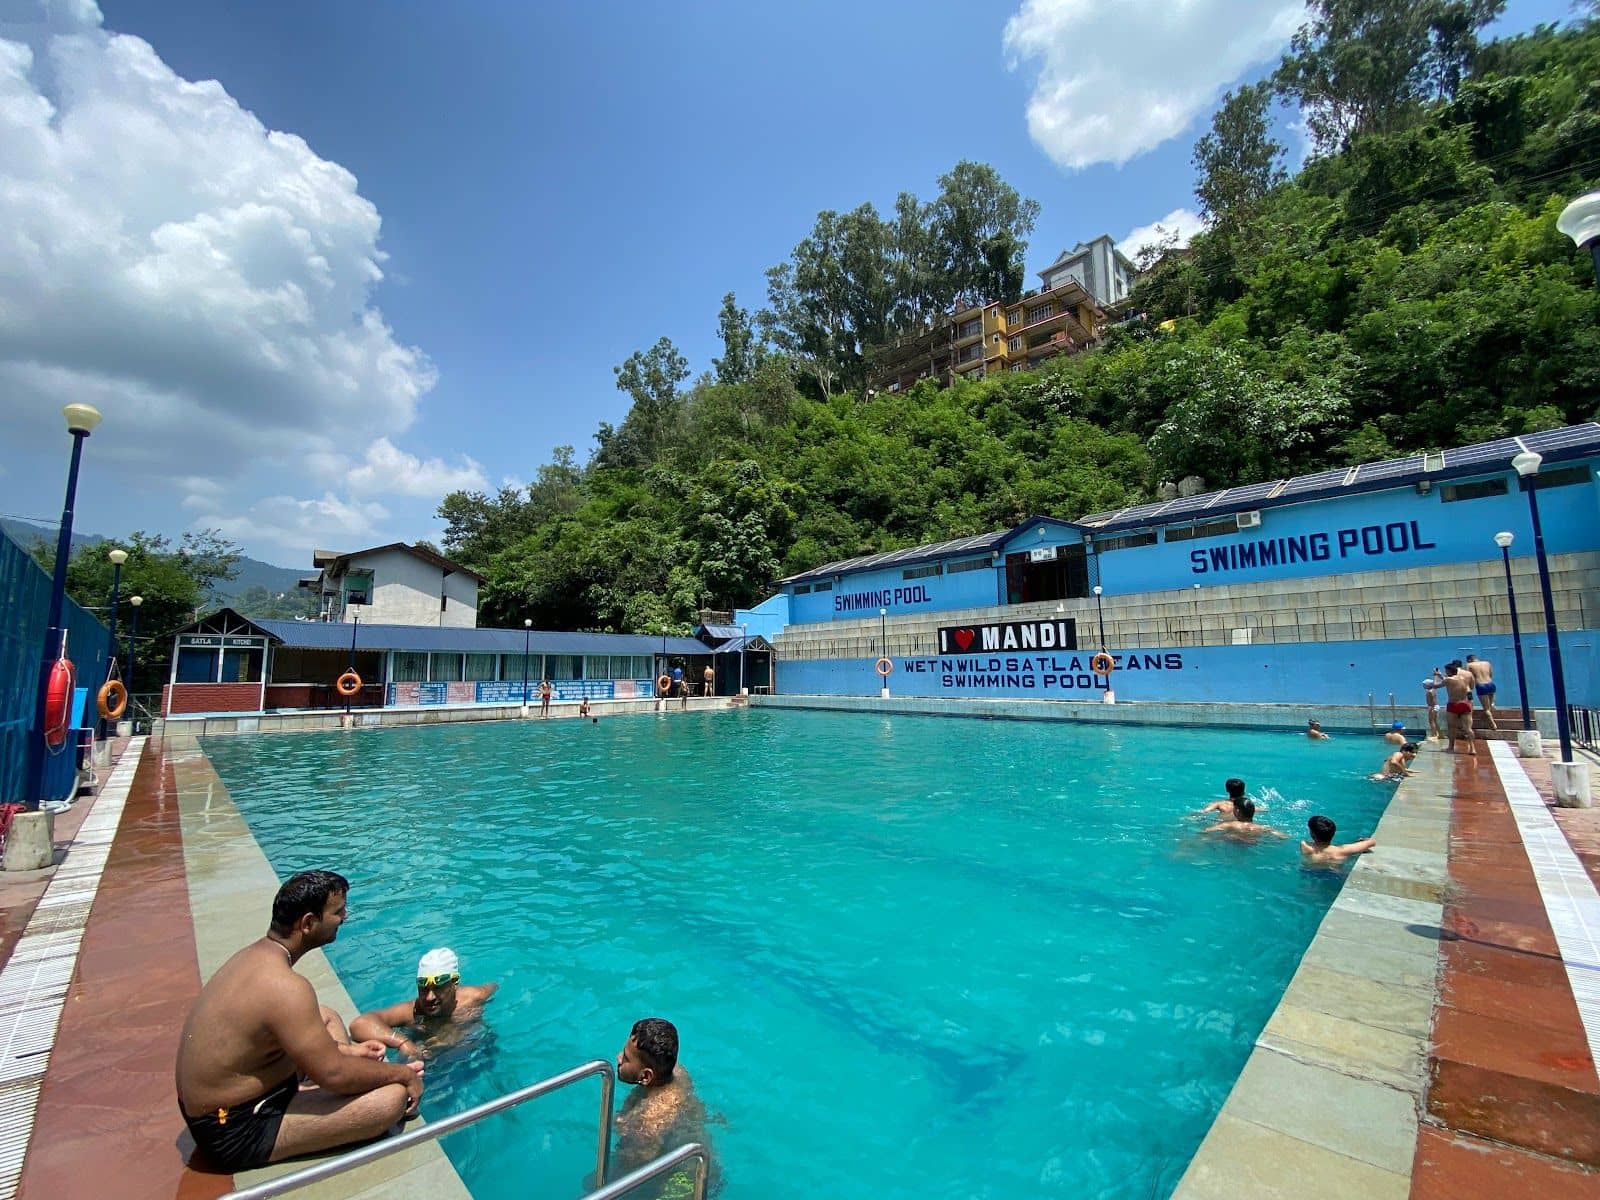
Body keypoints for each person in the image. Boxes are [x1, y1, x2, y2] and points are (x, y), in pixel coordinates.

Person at [175, 871, 424, 1171]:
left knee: (326, 1014)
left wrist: (349, 1053)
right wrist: (402, 1075)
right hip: (231, 1128)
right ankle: (313, 1096)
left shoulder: (254, 957)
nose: (345, 917)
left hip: (216, 1104)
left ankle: (326, 1075)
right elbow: (334, 1076)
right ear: (308, 923)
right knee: (391, 1100)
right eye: (338, 911)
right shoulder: (286, 987)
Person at [614, 1018, 711, 1193]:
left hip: (685, 1183)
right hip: (697, 1163)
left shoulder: (652, 1118)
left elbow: (632, 1163)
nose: (618, 1057)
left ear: (646, 1076)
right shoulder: (674, 1071)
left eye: (626, 1058)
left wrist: (625, 1127)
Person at [350, 948, 498, 1060]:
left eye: (438, 988)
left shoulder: (475, 996)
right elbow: (359, 1025)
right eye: (423, 989)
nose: (429, 997)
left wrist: (462, 1031)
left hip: (474, 1053)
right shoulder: (412, 1012)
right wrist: (403, 1042)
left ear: (455, 983)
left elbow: (495, 986)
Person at [1301, 815, 1376, 867]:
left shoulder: (1305, 845)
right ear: (1333, 833)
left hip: (1309, 872)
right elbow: (1372, 842)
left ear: (1312, 834)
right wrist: (1363, 841)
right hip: (1333, 875)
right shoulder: (1341, 851)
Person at [1199, 797, 1286, 840]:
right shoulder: (1262, 827)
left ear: (1236, 811)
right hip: (1252, 843)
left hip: (1233, 843)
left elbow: (1206, 831)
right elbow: (1283, 837)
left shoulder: (1229, 824)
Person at [1441, 661, 1476, 756]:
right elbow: (1472, 687)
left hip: (1453, 702)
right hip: (1466, 698)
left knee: (1452, 727)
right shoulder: (1468, 674)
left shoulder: (1449, 676)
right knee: (1468, 727)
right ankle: (1472, 748)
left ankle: (1451, 747)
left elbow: (1446, 681)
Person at [1466, 655, 1498, 729]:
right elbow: (1491, 674)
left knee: (1486, 708)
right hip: (1491, 684)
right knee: (1489, 706)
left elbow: (1468, 676)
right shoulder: (1487, 663)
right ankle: (1485, 717)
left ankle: (1493, 725)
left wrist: (1471, 687)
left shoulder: (1469, 665)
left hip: (1481, 685)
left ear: (1469, 660)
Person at [1423, 669, 1442, 740]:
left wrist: (1431, 708)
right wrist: (1435, 675)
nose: (1423, 686)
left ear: (1427, 685)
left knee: (1431, 721)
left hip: (1433, 707)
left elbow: (1432, 701)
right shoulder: (1433, 690)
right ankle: (1440, 734)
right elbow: (1434, 683)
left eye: (1424, 685)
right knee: (1435, 721)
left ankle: (1434, 735)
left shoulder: (1430, 691)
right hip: (1435, 706)